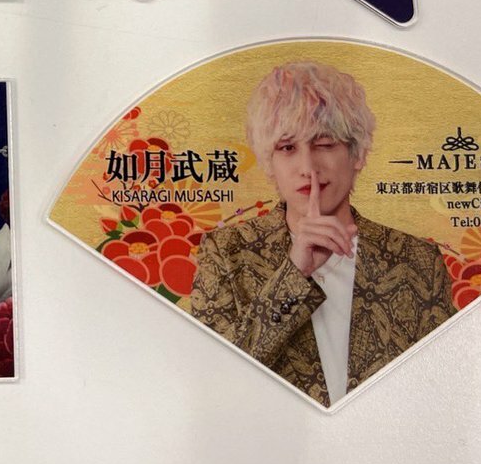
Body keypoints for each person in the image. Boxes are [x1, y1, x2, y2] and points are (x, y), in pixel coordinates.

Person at [189, 62, 454, 406]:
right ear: (269, 162)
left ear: (357, 154)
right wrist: (294, 272)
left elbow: (443, 387)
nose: (308, 167)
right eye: (287, 148)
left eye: (325, 144)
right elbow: (214, 382)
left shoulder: (417, 260)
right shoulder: (227, 253)